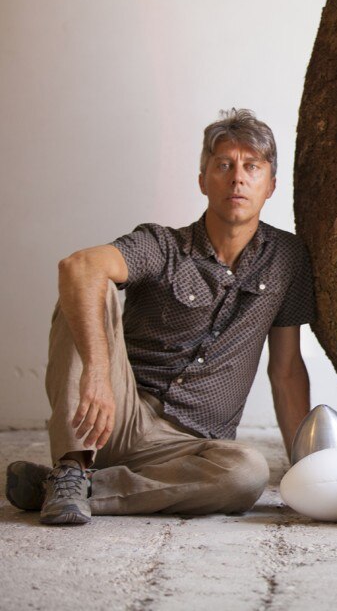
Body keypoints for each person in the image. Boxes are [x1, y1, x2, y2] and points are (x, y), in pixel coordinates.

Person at [5, 109, 315, 524]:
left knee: (247, 473)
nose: (237, 178)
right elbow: (77, 267)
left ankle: (72, 487)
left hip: (189, 450)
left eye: (251, 167)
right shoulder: (161, 245)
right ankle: (75, 464)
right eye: (223, 165)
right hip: (112, 417)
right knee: (85, 291)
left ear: (271, 185)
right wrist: (97, 373)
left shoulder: (287, 259)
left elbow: (287, 370)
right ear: (203, 180)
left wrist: (308, 470)